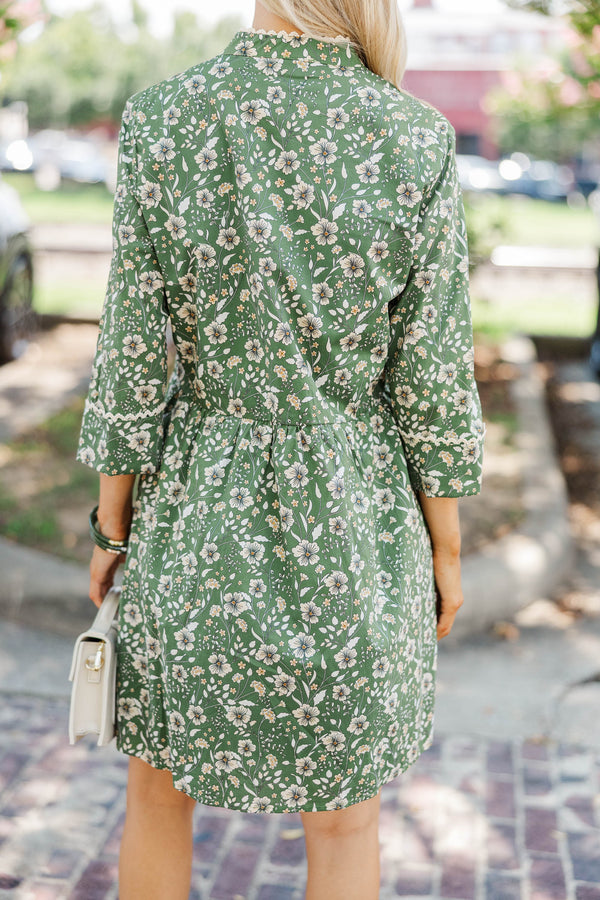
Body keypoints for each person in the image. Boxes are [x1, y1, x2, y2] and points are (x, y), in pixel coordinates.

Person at [75, 0, 486, 897]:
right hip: (356, 528)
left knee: (156, 792)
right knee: (345, 823)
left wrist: (113, 531)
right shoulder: (413, 138)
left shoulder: (164, 117)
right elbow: (432, 378)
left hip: (194, 519)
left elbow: (133, 357)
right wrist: (445, 546)